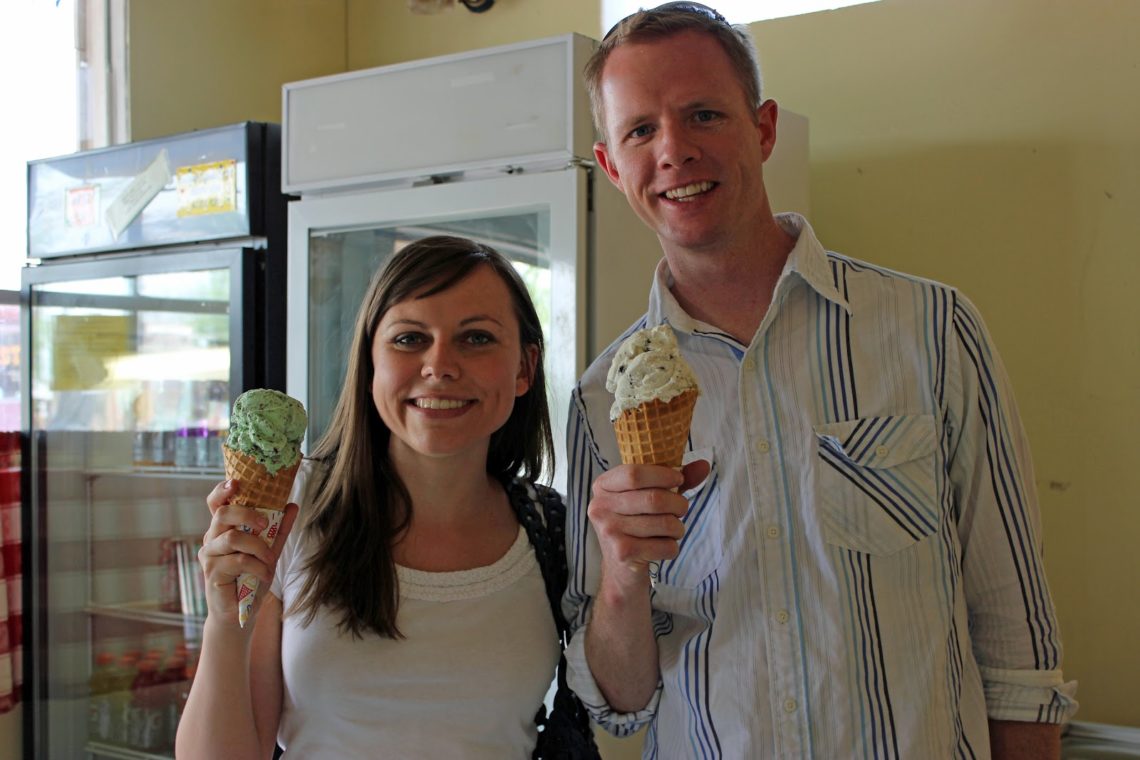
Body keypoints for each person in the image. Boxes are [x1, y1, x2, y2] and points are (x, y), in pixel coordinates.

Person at [562, 3, 1077, 758]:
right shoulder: (601, 398)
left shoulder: (933, 329)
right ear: (611, 167)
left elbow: (1018, 639)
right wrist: (619, 578)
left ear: (763, 129)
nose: (673, 150)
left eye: (704, 114)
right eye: (640, 130)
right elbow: (619, 708)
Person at [177, 236, 594, 758]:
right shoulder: (294, 510)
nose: (439, 365)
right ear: (370, 362)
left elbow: (627, 697)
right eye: (409, 339)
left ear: (524, 370)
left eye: (477, 338)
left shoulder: (553, 527)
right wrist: (223, 620)